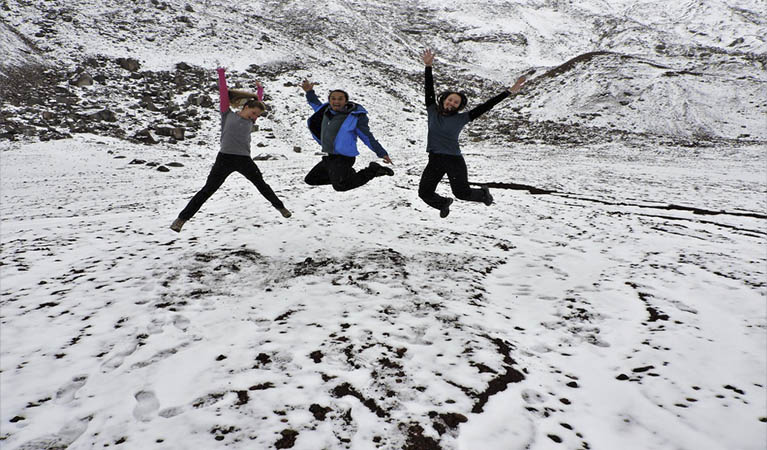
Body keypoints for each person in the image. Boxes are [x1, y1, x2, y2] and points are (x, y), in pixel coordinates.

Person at [170, 67, 291, 232]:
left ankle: (280, 207)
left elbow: (258, 102)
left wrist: (260, 90)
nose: (255, 117)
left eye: (258, 116)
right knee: (208, 190)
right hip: (224, 159)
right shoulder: (227, 114)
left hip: (244, 160)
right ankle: (181, 219)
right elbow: (223, 93)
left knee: (261, 184)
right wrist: (221, 74)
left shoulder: (250, 121)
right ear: (246, 107)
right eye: (253, 113)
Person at [418, 48, 526, 218]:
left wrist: (509, 92)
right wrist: (428, 66)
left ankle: (483, 194)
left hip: (454, 160)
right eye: (450, 100)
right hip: (435, 159)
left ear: (459, 106)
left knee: (461, 193)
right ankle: (443, 203)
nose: (452, 103)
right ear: (444, 100)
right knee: (424, 192)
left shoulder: (463, 118)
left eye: (456, 102)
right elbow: (429, 89)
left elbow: (487, 105)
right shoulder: (432, 110)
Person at [300, 80, 394, 192]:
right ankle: (347, 175)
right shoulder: (325, 112)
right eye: (333, 98)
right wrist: (309, 91)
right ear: (329, 101)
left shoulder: (355, 117)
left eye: (340, 99)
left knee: (340, 186)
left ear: (346, 101)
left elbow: (367, 137)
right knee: (311, 179)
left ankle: (373, 170)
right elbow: (314, 103)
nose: (336, 101)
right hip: (328, 156)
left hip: (343, 158)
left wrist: (382, 153)